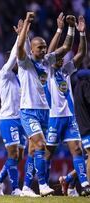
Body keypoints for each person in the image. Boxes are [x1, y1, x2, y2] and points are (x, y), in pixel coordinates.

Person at [16, 11, 74, 196]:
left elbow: (65, 47)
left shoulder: (47, 62)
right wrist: (27, 24)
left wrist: (69, 28)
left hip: (44, 111)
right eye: (39, 48)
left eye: (44, 47)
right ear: (31, 50)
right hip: (28, 111)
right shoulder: (25, 63)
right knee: (41, 145)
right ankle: (42, 185)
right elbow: (19, 47)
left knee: (33, 150)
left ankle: (25, 187)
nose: (43, 50)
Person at [43, 15, 90, 196]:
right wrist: (61, 29)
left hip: (70, 117)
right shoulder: (48, 69)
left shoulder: (66, 70)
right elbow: (53, 50)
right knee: (48, 154)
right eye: (59, 56)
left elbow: (81, 54)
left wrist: (80, 32)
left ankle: (84, 184)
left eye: (64, 56)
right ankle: (43, 184)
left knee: (77, 149)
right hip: (54, 117)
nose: (62, 57)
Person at [0, 19, 27, 196]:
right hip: (8, 119)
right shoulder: (3, 74)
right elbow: (15, 55)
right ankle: (15, 189)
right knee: (13, 154)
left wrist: (23, 38)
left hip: (22, 120)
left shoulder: (21, 78)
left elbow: (20, 55)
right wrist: (20, 36)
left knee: (19, 157)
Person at [59, 68, 90, 196]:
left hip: (83, 125)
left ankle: (67, 179)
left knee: (88, 158)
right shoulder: (86, 85)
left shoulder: (78, 85)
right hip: (87, 126)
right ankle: (87, 187)